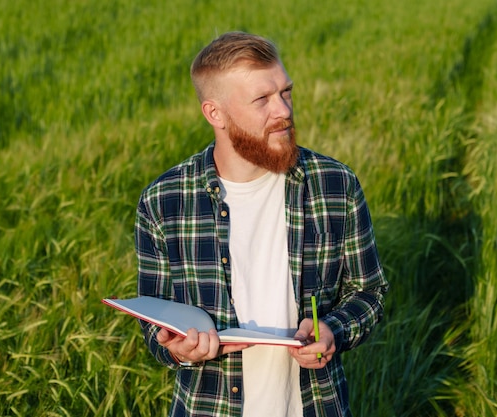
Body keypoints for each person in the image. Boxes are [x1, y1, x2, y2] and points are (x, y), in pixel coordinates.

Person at [135, 31, 389, 417]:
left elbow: (370, 293)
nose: (284, 110)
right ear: (214, 113)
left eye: (285, 92)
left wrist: (334, 329)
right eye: (262, 100)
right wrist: (176, 348)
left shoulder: (334, 184)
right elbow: (153, 322)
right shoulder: (164, 201)